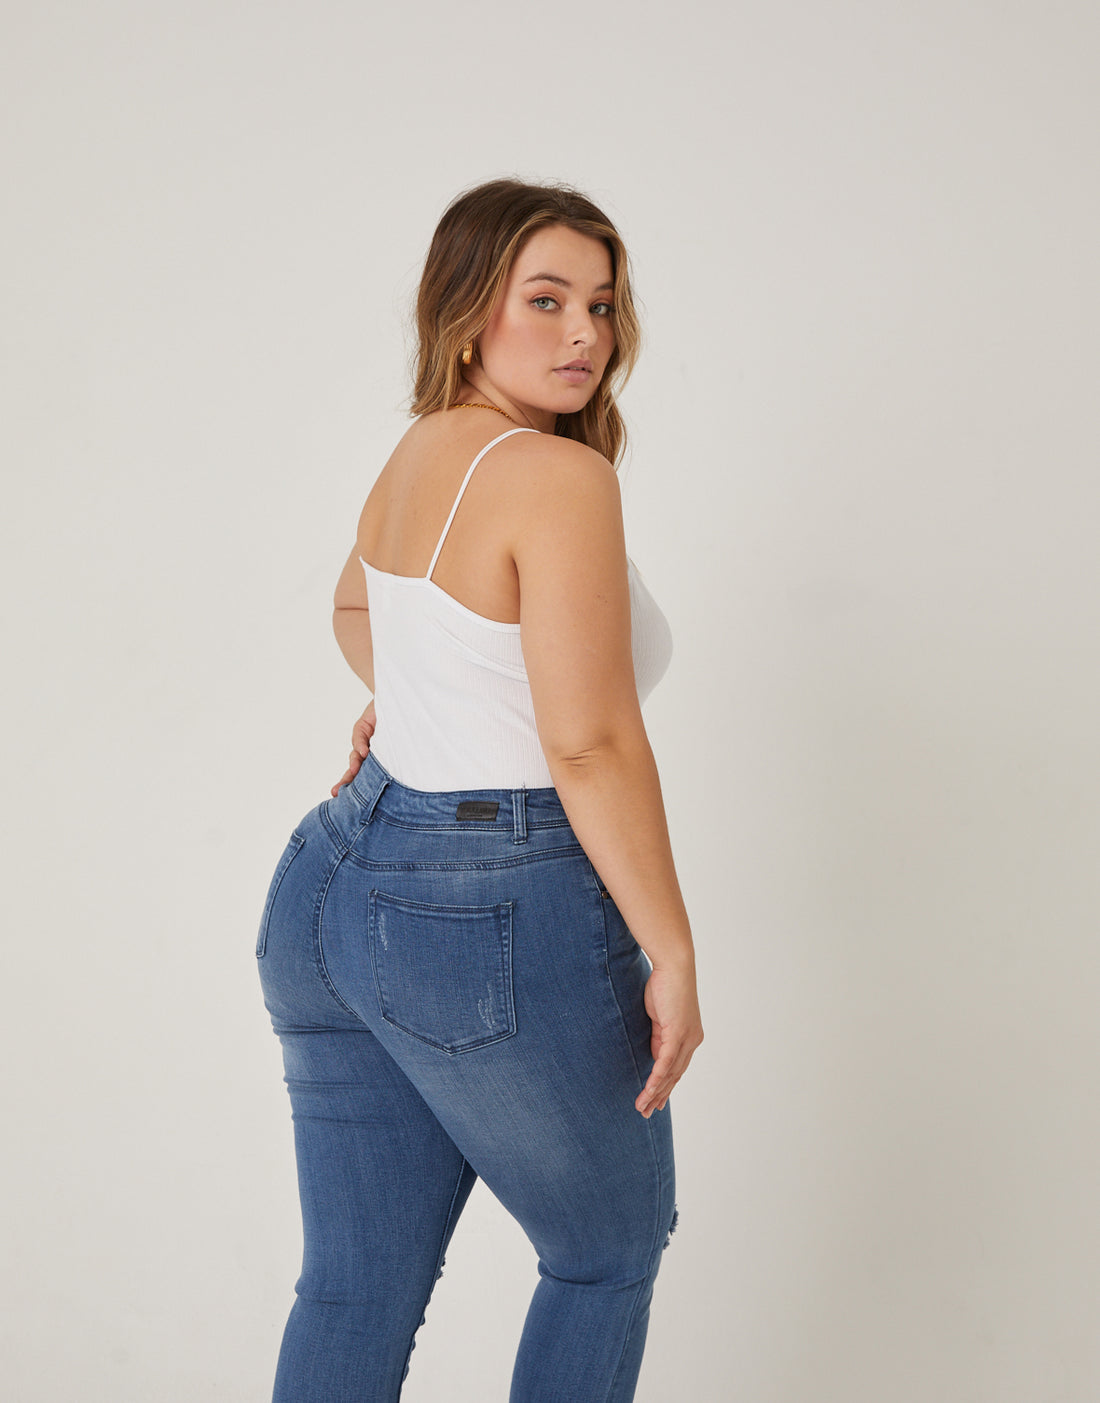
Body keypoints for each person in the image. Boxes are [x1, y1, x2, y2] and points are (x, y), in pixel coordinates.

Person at [255, 177, 703, 1403]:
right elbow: (588, 742)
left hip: (330, 888)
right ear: (465, 312)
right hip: (482, 906)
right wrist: (670, 947)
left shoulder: (424, 448)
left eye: (600, 304)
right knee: (604, 1254)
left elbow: (356, 604)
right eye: (544, 299)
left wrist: (417, 696)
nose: (582, 333)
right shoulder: (555, 478)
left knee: (354, 1287)